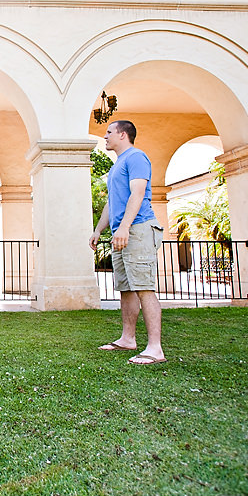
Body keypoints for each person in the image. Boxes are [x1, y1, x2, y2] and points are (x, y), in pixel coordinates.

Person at [89, 120, 167, 365]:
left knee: (144, 287)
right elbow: (113, 203)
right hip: (121, 232)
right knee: (126, 287)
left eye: (109, 132)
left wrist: (124, 227)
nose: (105, 136)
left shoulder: (136, 157)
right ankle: (127, 339)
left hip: (138, 229)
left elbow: (138, 193)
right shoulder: (116, 166)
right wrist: (98, 229)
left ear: (123, 135)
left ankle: (155, 348)